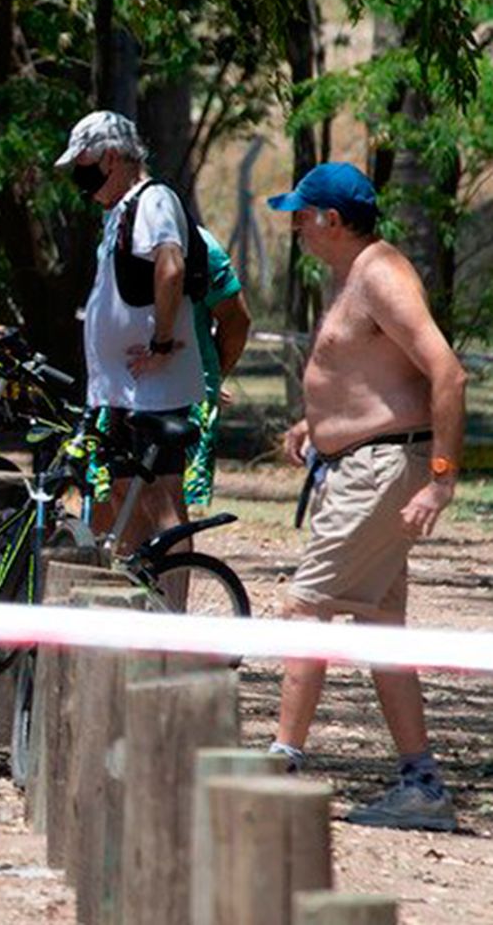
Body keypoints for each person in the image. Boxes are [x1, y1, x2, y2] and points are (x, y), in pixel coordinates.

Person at [266, 162, 466, 832]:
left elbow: (448, 371)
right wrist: (317, 426)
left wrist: (442, 475)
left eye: (301, 213)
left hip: (384, 470)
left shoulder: (380, 273)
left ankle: (279, 766)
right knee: (380, 626)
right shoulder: (356, 276)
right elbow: (373, 375)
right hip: (364, 464)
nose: (295, 224)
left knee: (306, 607)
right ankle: (422, 783)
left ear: (330, 219)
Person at [55, 110, 206, 551]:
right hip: (125, 390)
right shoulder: (121, 209)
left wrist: (160, 343)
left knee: (161, 494)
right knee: (125, 490)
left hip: (154, 388)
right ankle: (137, 600)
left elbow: (171, 266)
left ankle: (173, 606)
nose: (81, 179)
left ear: (114, 158)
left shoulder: (153, 200)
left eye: (85, 167)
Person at [184, 228, 252, 508]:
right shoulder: (115, 226)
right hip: (114, 393)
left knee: (162, 499)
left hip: (180, 399)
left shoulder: (199, 247)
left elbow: (236, 320)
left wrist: (211, 378)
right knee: (109, 494)